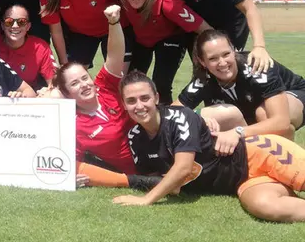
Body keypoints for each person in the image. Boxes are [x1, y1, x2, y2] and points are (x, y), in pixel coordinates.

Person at [115, 70, 305, 223]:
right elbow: (158, 180)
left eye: (145, 98)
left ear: (156, 98)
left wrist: (146, 199)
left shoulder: (180, 117)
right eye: (131, 101)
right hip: (241, 181)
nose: (139, 106)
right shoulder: (134, 137)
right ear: (123, 104)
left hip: (260, 154)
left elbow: (183, 168)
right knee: (265, 206)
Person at [176, 29, 305, 142]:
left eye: (226, 54)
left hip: (295, 94)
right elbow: (173, 112)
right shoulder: (203, 80)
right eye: (213, 59)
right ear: (202, 62)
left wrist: (237, 132)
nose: (222, 63)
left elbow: (281, 122)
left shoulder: (257, 67)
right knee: (218, 115)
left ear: (234, 51)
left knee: (264, 115)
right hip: (251, 107)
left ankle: (287, 160)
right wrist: (198, 117)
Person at [50, 4, 135, 174]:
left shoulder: (105, 87)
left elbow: (115, 54)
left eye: (84, 78)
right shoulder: (76, 126)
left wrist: (113, 23)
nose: (84, 85)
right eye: (74, 84)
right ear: (66, 93)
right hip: (136, 175)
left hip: (158, 152)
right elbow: (69, 162)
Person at [117, 0, 210, 104]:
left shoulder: (169, 3)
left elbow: (204, 28)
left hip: (170, 38)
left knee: (161, 84)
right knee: (131, 81)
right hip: (142, 40)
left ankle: (165, 116)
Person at [0, 4, 55, 90]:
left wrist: (46, 92)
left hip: (28, 96)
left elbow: (54, 84)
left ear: (28, 26)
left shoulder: (40, 48)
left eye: (22, 22)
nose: (15, 26)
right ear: (2, 25)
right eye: (9, 21)